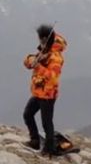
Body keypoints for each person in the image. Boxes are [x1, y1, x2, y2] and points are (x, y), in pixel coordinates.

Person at [23, 24, 67, 156]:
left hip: (48, 94)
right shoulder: (45, 51)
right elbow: (28, 62)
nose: (39, 43)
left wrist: (39, 67)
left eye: (40, 39)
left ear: (44, 39)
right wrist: (32, 60)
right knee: (27, 114)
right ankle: (35, 140)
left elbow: (53, 77)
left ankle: (49, 149)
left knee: (46, 122)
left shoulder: (56, 57)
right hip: (39, 92)